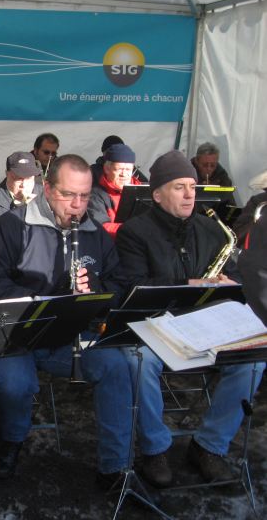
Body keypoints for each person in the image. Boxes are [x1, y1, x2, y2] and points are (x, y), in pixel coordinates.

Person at [0, 154, 133, 487]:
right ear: (47, 189)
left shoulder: (95, 233)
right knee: (17, 385)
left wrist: (96, 291)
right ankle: (10, 441)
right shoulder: (10, 226)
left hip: (69, 337)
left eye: (85, 196)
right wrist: (47, 300)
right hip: (15, 336)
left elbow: (119, 285)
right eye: (68, 194)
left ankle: (114, 465)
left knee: (117, 365)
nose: (77, 205)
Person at [115, 150, 265, 487]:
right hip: (155, 325)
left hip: (205, 326)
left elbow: (235, 274)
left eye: (192, 187)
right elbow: (133, 286)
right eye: (179, 187)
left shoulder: (212, 229)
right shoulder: (133, 232)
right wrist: (188, 284)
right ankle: (154, 448)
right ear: (157, 195)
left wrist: (230, 282)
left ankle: (209, 445)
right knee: (136, 360)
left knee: (254, 360)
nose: (189, 195)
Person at [87, 143, 142, 238]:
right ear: (107, 169)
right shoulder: (96, 194)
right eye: (119, 169)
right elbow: (101, 227)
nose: (124, 174)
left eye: (128, 170)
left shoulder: (142, 192)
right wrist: (133, 230)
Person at [0, 151, 41, 217]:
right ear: (7, 174)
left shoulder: (43, 193)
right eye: (18, 178)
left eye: (29, 178)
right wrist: (22, 209)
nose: (24, 185)